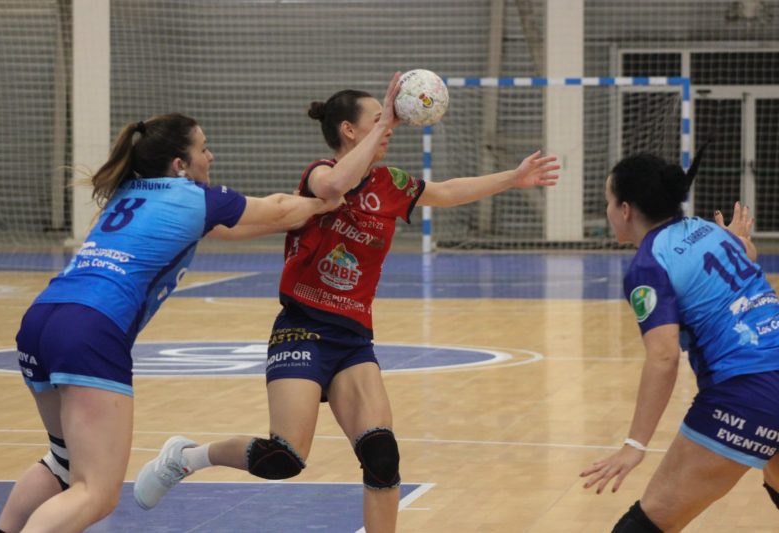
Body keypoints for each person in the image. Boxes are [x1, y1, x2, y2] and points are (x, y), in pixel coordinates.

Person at [134, 73, 559, 532]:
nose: (390, 126)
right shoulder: (319, 173)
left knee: (382, 456)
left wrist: (513, 178)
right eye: (379, 118)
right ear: (349, 130)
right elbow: (334, 185)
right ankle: (187, 457)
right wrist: (387, 121)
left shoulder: (392, 183)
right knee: (283, 458)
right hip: (302, 328)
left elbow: (449, 191)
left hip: (353, 338)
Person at [0, 112, 339, 533]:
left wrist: (306, 210)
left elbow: (247, 226)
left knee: (63, 464)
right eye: (203, 149)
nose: (211, 157)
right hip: (91, 327)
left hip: (41, 319)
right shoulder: (193, 196)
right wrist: (326, 201)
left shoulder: (128, 192)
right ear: (180, 164)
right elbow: (281, 210)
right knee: (95, 492)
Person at [580, 149, 779, 532]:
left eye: (608, 201)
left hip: (746, 388)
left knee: (648, 523)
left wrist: (635, 445)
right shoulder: (707, 230)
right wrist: (738, 238)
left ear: (625, 210)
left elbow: (663, 358)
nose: (607, 211)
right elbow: (746, 253)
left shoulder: (649, 265)